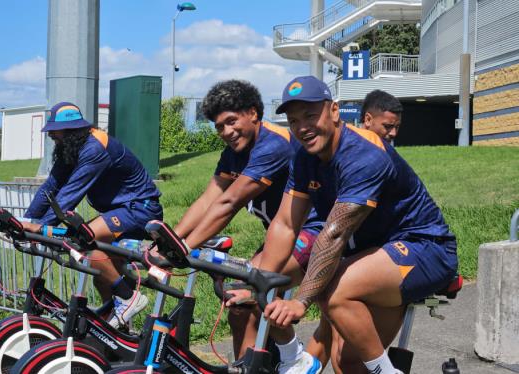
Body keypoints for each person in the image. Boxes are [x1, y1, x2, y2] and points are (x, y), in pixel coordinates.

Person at [262, 76, 458, 374]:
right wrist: (260, 280)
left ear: (335, 111)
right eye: (293, 120)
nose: (302, 127)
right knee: (348, 363)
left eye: (311, 115)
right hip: (376, 252)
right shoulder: (304, 156)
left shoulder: (364, 153)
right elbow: (286, 223)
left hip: (425, 247)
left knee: (333, 293)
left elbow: (335, 233)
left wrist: (301, 301)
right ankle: (294, 357)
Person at [172, 80, 322, 373]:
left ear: (253, 113)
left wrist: (184, 247)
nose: (226, 132)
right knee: (239, 306)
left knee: (246, 289)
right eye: (219, 127)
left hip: (315, 231)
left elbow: (229, 203)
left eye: (231, 121)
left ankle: (295, 357)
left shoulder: (273, 144)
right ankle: (247, 367)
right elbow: (209, 199)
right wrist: (172, 238)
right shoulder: (234, 152)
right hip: (282, 236)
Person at [22, 102, 163, 329]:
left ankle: (128, 298)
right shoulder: (72, 148)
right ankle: (115, 323)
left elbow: (69, 195)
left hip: (139, 210)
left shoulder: (95, 148)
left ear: (70, 131)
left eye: (54, 131)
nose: (51, 136)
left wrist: (41, 228)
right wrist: (26, 221)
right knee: (100, 271)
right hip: (119, 212)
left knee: (82, 241)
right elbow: (51, 186)